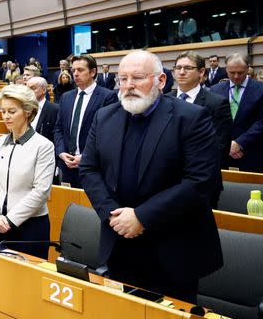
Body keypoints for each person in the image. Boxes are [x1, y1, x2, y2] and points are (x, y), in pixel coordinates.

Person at [80, 50, 223, 302]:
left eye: (137, 77)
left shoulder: (190, 117)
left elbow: (200, 181)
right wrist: (113, 214)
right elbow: (89, 169)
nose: (128, 85)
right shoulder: (104, 116)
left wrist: (141, 217)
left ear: (160, 81)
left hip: (173, 246)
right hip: (120, 241)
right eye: (122, 79)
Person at [0, 84, 55, 259]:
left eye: (12, 111)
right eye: (3, 112)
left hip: (30, 226)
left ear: (27, 112)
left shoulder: (43, 146)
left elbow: (41, 192)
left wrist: (10, 220)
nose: (6, 117)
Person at [171, 51, 232, 207]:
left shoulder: (217, 103)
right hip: (167, 184)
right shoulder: (163, 100)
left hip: (201, 184)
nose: (182, 72)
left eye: (187, 68)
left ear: (201, 72)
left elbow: (219, 149)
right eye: (178, 68)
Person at [53, 54, 118, 188]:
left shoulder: (107, 97)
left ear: (93, 72)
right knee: (67, 206)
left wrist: (85, 156)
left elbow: (108, 135)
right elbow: (59, 128)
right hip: (67, 164)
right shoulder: (66, 97)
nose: (75, 74)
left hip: (92, 166)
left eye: (80, 70)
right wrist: (61, 152)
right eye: (74, 70)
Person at [210, 53, 263, 172]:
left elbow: (261, 122)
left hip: (251, 152)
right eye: (231, 72)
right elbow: (211, 121)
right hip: (222, 153)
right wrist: (227, 145)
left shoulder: (260, 89)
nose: (236, 76)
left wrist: (239, 142)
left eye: (240, 72)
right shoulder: (215, 90)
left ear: (248, 69)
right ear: (226, 70)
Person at [26, 77, 59, 144]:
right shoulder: (22, 108)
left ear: (44, 90)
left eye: (33, 88)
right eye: (27, 89)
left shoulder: (55, 109)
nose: (29, 92)